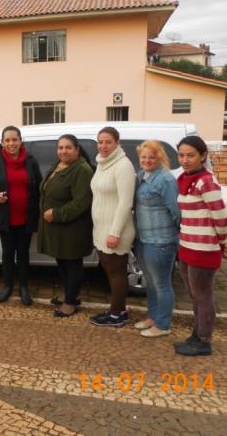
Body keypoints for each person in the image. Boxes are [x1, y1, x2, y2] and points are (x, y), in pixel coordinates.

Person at [174, 136, 227, 356]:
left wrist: (220, 243)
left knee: (203, 296)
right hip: (187, 245)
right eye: (181, 155)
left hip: (203, 248)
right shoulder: (184, 178)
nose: (185, 160)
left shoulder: (207, 181)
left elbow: (222, 217)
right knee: (194, 295)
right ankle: (196, 334)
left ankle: (204, 340)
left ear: (203, 156)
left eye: (191, 155)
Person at [0, 125, 41, 306]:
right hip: (5, 217)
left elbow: (39, 185)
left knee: (23, 254)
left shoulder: (30, 160)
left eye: (15, 139)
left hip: (26, 216)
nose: (11, 143)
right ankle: (7, 286)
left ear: (21, 141)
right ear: (2, 143)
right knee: (7, 254)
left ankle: (23, 288)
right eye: (7, 140)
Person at [37, 134, 94, 317]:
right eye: (60, 147)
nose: (64, 151)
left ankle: (70, 303)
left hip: (73, 228)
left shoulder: (82, 170)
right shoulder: (59, 165)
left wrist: (57, 213)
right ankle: (70, 295)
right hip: (59, 228)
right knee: (62, 262)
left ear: (77, 150)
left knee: (72, 264)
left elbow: (81, 203)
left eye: (68, 147)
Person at [89, 126, 136, 327]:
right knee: (110, 272)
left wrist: (115, 232)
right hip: (102, 229)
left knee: (117, 273)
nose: (103, 146)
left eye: (108, 142)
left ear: (117, 143)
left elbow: (125, 203)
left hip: (116, 230)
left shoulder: (123, 166)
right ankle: (119, 310)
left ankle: (116, 315)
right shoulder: (102, 163)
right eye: (100, 142)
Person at [133, 140, 180, 338]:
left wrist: (178, 236)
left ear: (159, 157)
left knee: (162, 283)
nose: (147, 160)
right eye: (144, 157)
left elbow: (176, 211)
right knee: (151, 282)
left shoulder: (166, 180)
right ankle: (153, 316)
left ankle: (163, 324)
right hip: (144, 238)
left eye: (151, 157)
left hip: (161, 240)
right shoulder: (141, 175)